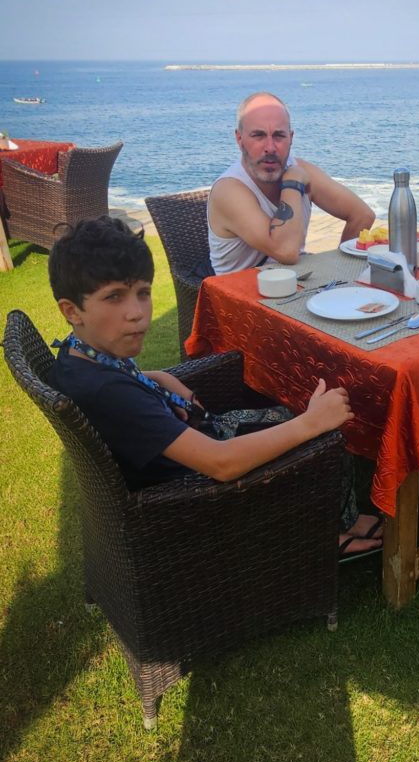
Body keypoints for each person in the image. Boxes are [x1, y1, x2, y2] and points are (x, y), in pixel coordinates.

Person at [48, 216, 383, 558]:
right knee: (327, 431)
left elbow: (121, 382)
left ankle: (341, 513)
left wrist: (161, 379)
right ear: (72, 311)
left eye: (143, 293)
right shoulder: (110, 395)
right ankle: (328, 533)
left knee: (297, 410)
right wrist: (311, 424)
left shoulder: (79, 359)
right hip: (199, 485)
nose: (136, 312)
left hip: (192, 441)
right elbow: (221, 464)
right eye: (114, 297)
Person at [207, 91, 375, 274]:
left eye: (279, 135)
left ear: (291, 138)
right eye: (258, 135)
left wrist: (341, 269)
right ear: (239, 139)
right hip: (239, 289)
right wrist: (292, 182)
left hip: (297, 283)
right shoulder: (228, 190)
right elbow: (286, 252)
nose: (270, 147)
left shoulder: (301, 169)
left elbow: (362, 215)